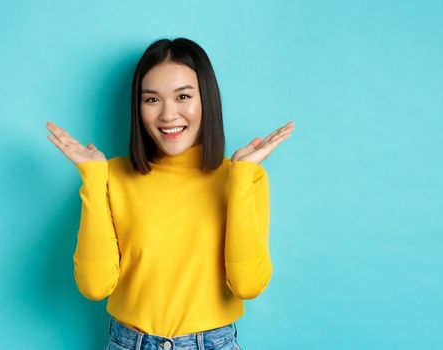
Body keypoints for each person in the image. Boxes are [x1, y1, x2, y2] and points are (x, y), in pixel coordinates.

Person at [46, 37, 294, 350]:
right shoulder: (112, 176)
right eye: (152, 100)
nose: (167, 115)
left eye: (183, 97)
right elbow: (95, 287)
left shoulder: (243, 178)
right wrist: (93, 178)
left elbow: (247, 285)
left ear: (207, 100)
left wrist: (241, 174)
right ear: (138, 108)